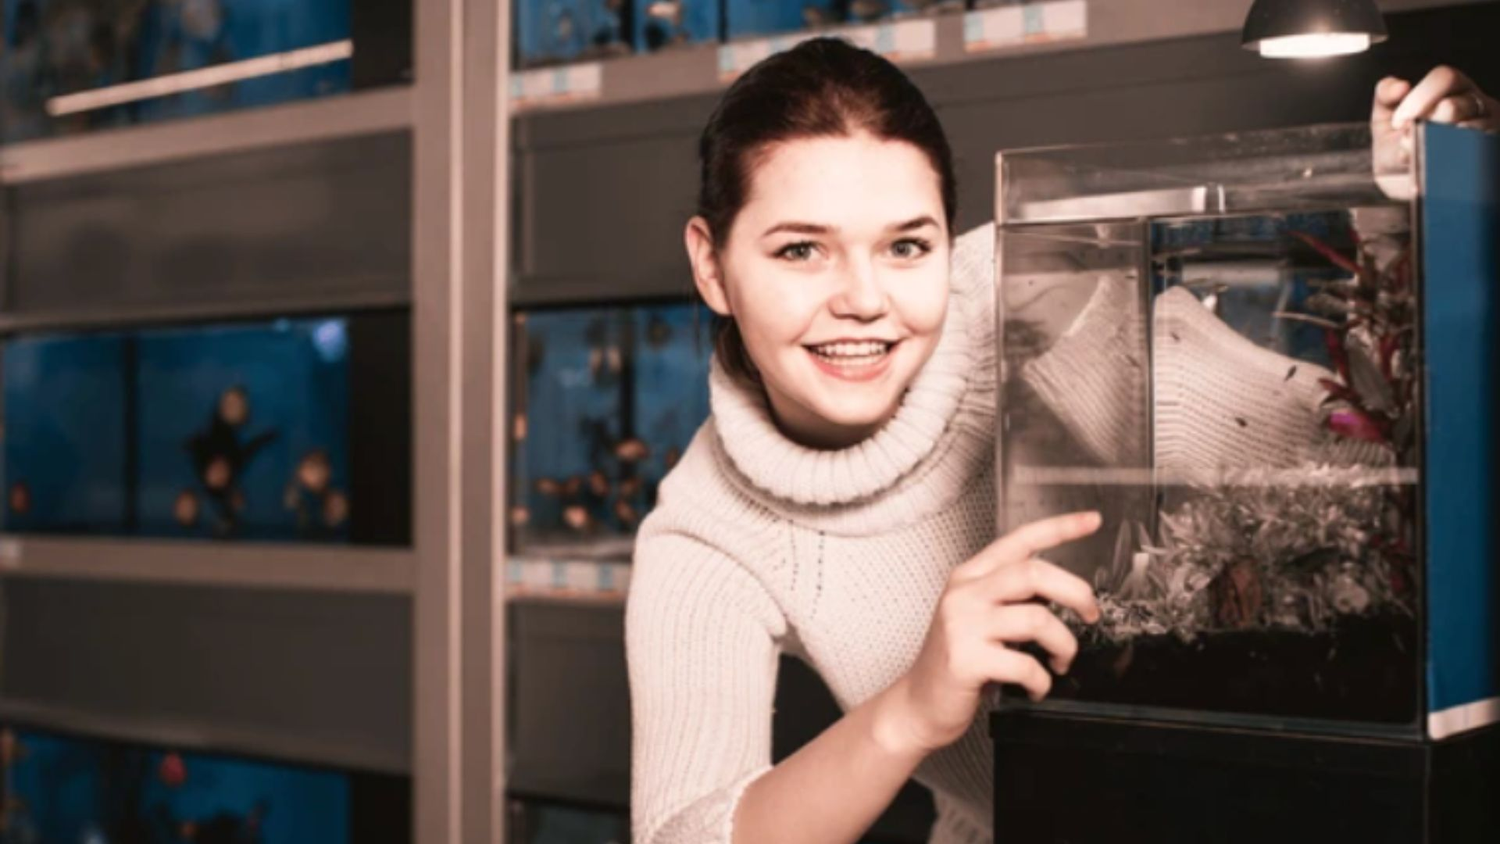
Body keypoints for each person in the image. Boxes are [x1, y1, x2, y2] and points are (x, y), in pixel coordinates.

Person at [625, 38, 1497, 844]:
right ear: (711, 265)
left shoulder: (1036, 283)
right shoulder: (705, 533)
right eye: (801, 251)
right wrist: (911, 712)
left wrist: (1426, 226)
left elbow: (1357, 470)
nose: (863, 299)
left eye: (906, 245)